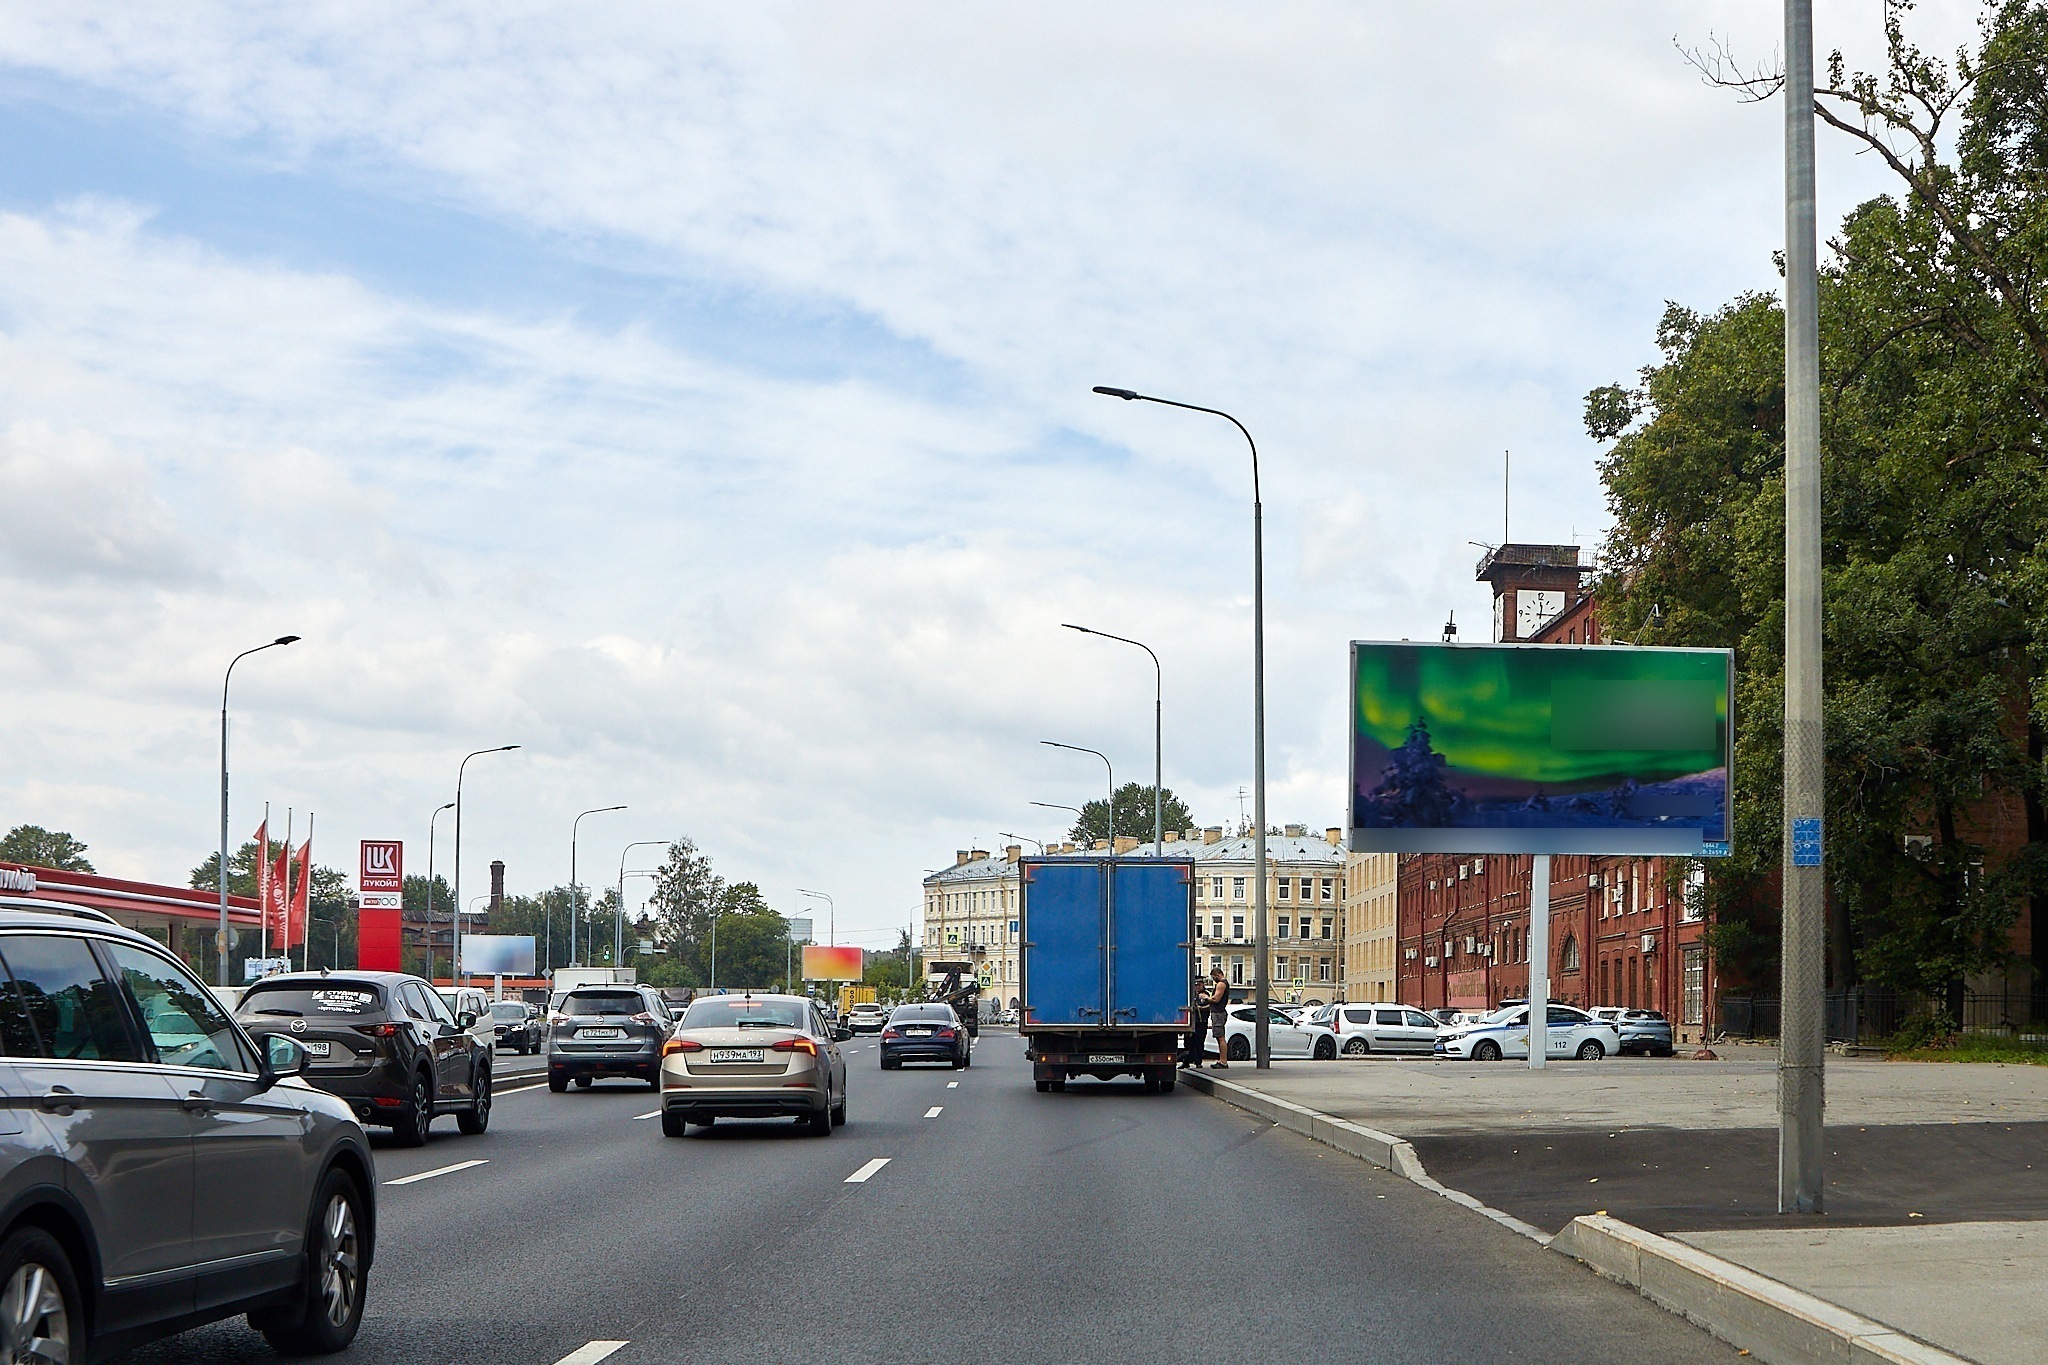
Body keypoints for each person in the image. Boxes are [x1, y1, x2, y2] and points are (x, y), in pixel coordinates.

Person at [1200, 967, 1232, 1068]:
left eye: (1214, 977)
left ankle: (1223, 1062)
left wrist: (1205, 998)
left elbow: (1216, 999)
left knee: (1220, 1037)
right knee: (1219, 1038)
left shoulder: (1221, 984)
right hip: (1218, 1013)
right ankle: (1222, 1060)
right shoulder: (1223, 983)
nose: (1214, 979)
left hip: (1219, 1014)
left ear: (1218, 975)